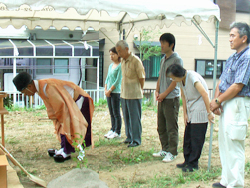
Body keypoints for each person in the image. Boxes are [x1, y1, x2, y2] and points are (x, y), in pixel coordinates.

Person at [12, 72, 94, 163]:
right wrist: (54, 117)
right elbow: (51, 106)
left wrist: (59, 118)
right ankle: (65, 148)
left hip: (78, 99)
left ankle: (67, 151)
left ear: (29, 86)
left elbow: (61, 107)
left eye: (24, 92)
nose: (25, 95)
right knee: (62, 124)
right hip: (68, 103)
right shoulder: (40, 87)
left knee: (69, 124)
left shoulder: (47, 86)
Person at [210, 22, 250, 188]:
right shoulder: (233, 57)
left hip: (238, 102)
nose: (230, 39)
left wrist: (218, 101)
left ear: (244, 38)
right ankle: (226, 181)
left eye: (233, 35)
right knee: (225, 143)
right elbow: (223, 80)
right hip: (227, 102)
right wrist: (216, 99)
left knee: (234, 143)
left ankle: (235, 184)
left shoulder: (247, 57)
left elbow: (237, 85)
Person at [166, 64, 214, 172]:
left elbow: (205, 94)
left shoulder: (192, 77)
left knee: (196, 139)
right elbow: (183, 96)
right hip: (191, 110)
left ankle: (193, 164)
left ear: (178, 74)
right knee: (187, 138)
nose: (172, 79)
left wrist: (209, 112)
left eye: (173, 77)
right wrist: (185, 114)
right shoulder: (181, 81)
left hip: (200, 110)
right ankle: (187, 161)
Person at [152, 33, 183, 162]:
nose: (162, 46)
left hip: (171, 98)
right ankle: (164, 149)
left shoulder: (177, 60)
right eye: (161, 43)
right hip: (163, 97)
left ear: (171, 45)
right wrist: (157, 90)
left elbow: (176, 80)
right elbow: (160, 76)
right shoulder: (163, 59)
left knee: (171, 126)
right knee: (161, 125)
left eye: (164, 43)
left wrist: (165, 93)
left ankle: (173, 151)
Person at [115, 40, 145, 147]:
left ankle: (136, 140)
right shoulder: (122, 61)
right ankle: (129, 137)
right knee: (126, 117)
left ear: (127, 49)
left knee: (134, 118)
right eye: (117, 51)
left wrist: (139, 89)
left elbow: (142, 78)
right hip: (124, 94)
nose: (118, 54)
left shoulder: (136, 61)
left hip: (134, 94)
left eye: (120, 51)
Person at [104, 47, 122, 139]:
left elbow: (118, 80)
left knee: (116, 112)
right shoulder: (111, 66)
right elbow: (107, 78)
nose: (111, 56)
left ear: (118, 54)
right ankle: (112, 128)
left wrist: (110, 90)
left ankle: (117, 131)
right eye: (110, 54)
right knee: (111, 112)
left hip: (115, 92)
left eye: (113, 54)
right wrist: (106, 89)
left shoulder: (120, 66)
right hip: (109, 92)